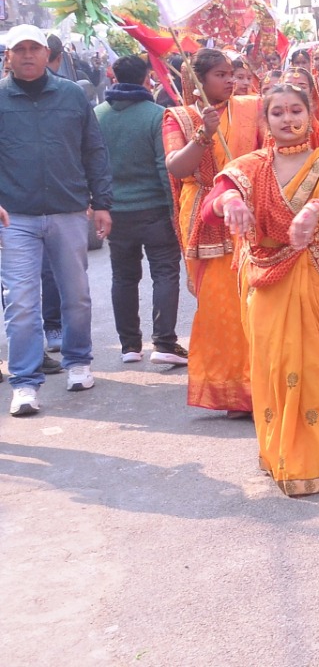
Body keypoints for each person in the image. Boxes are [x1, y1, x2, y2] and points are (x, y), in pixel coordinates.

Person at [206, 82, 319, 495]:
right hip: (262, 281)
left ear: (309, 114)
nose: (287, 119)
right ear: (265, 120)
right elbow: (215, 199)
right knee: (274, 368)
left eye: (295, 110)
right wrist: (232, 204)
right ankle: (280, 453)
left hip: (313, 275)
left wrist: (316, 210)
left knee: (318, 369)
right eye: (277, 112)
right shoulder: (251, 166)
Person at [1, 24, 113, 417]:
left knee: (77, 295)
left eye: (35, 48)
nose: (28, 55)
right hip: (14, 217)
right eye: (20, 49)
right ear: (8, 56)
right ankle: (25, 384)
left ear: (47, 54)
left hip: (68, 211)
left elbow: (93, 149)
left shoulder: (71, 95)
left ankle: (78, 361)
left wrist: (101, 201)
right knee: (21, 303)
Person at [164, 47, 263, 415]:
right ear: (199, 81)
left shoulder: (252, 108)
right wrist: (204, 134)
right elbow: (177, 167)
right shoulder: (179, 117)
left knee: (254, 300)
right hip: (206, 216)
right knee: (221, 307)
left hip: (249, 208)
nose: (230, 80)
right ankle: (233, 392)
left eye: (232, 73)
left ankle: (262, 385)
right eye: (221, 74)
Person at [96, 55, 185, 366]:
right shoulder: (158, 116)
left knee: (123, 276)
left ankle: (129, 346)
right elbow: (166, 168)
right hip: (155, 209)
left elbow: (91, 164)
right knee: (165, 273)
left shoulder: (97, 115)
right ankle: (164, 342)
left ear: (114, 77)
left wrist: (97, 204)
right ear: (148, 77)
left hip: (115, 212)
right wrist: (175, 209)